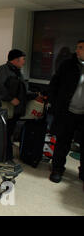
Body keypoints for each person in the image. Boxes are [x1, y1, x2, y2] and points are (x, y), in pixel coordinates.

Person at [48, 40, 84, 185]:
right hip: (67, 111)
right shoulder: (67, 65)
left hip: (83, 115)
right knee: (63, 142)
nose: (78, 50)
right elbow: (54, 84)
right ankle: (57, 169)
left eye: (81, 48)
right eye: (78, 47)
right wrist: (55, 104)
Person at [0, 49, 39, 162]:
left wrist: (35, 96)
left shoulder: (18, 72)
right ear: (16, 60)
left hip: (16, 110)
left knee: (9, 133)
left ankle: (6, 156)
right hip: (6, 109)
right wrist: (10, 98)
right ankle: (5, 157)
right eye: (23, 59)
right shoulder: (2, 70)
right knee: (5, 134)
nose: (24, 62)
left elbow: (23, 91)